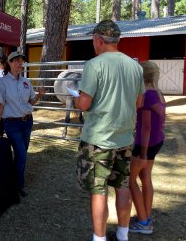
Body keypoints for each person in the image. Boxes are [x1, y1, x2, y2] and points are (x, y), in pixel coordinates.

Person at [74, 19, 145, 241]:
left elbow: (84, 104)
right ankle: (123, 234)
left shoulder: (94, 65)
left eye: (93, 40)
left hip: (98, 139)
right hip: (124, 138)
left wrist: (78, 99)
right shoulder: (135, 66)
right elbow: (139, 102)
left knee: (99, 190)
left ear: (98, 40)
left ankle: (99, 237)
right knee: (122, 185)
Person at [0, 51, 45, 198]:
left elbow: (31, 102)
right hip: (12, 124)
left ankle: (14, 182)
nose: (20, 63)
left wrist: (39, 95)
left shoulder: (26, 81)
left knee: (22, 154)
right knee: (21, 154)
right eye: (16, 60)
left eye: (21, 60)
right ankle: (17, 186)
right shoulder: (1, 82)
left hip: (27, 121)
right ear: (9, 63)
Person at [129, 61, 166, 235]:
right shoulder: (158, 93)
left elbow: (145, 127)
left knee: (130, 181)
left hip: (146, 144)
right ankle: (146, 216)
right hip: (157, 141)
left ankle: (143, 223)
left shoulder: (146, 96)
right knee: (146, 178)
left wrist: (142, 153)